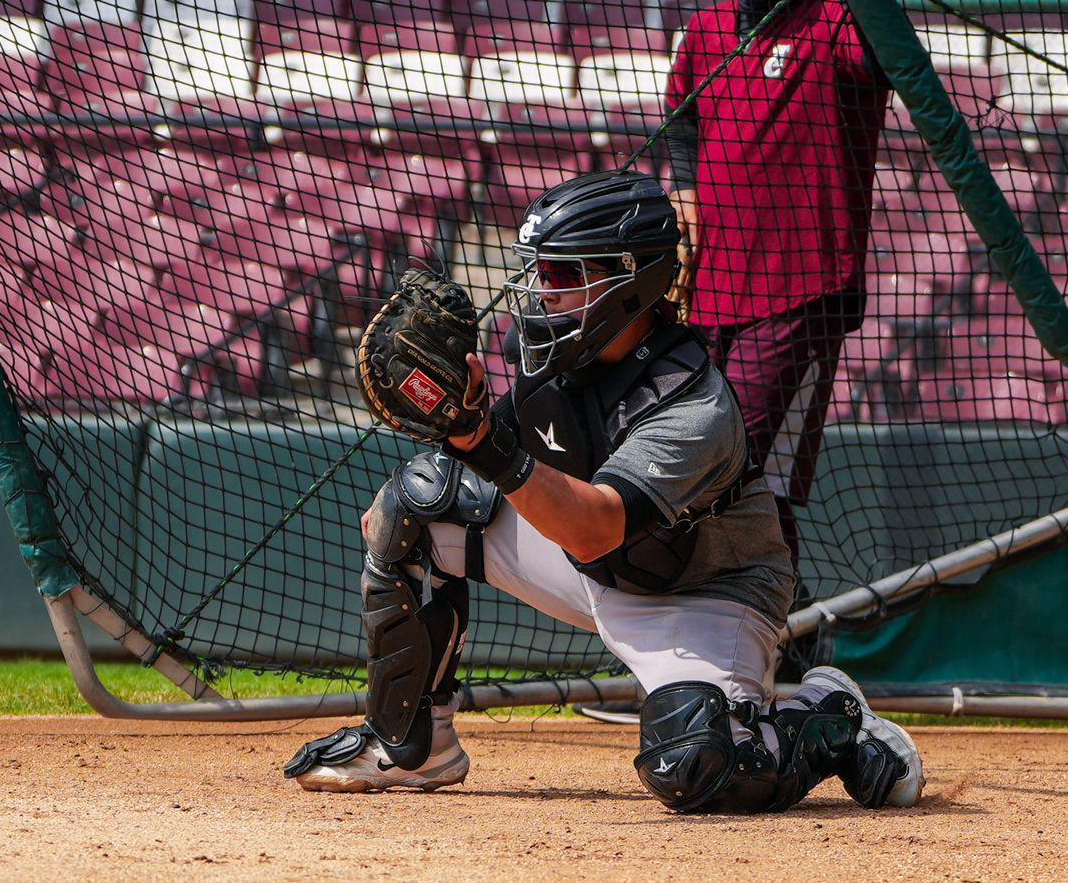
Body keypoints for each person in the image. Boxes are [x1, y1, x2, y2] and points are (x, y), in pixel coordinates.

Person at [283, 172, 923, 813]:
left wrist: (479, 441)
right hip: (593, 567)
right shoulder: (552, 354)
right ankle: (413, 746)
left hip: (702, 593)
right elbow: (493, 467)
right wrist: (449, 433)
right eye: (539, 272)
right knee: (415, 504)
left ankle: (829, 711)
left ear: (630, 281)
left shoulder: (692, 404)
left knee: (697, 761)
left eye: (563, 275)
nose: (540, 293)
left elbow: (595, 524)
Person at [665, 0, 891, 574]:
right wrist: (684, 196)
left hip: (803, 296)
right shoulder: (704, 32)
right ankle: (773, 645)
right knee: (699, 473)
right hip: (706, 298)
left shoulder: (837, 20)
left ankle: (756, 645)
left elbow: (888, 54)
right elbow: (680, 120)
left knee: (741, 474)